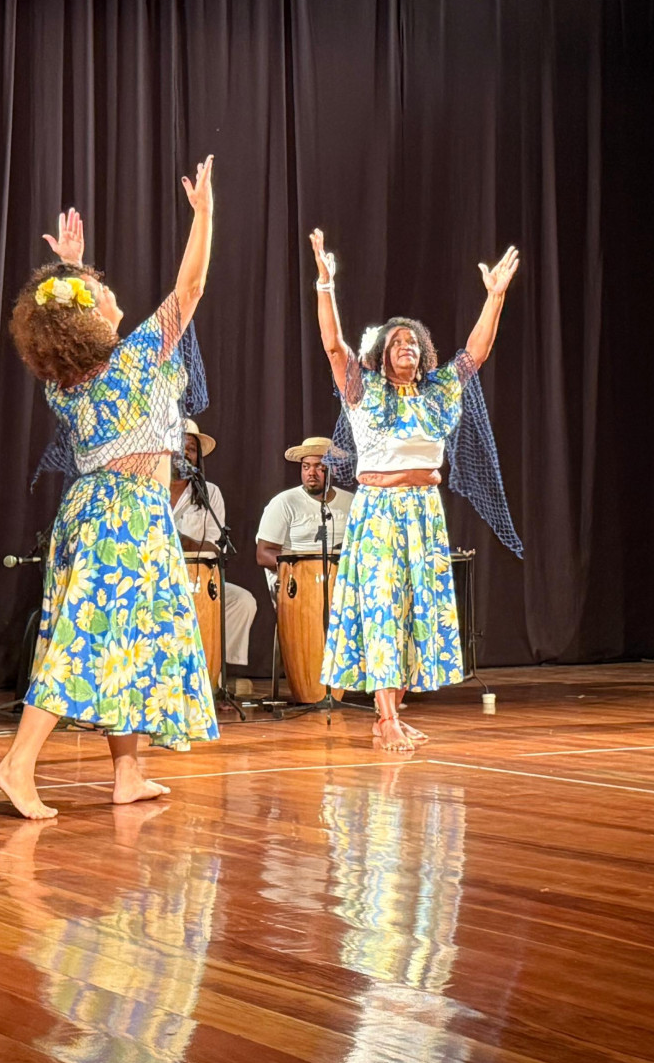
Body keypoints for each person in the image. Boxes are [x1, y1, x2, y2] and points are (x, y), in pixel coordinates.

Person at [0, 160, 219, 818]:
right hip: (123, 514)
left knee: (128, 638)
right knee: (88, 639)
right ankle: (17, 763)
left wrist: (71, 270)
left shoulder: (61, 381)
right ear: (92, 320)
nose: (112, 293)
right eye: (99, 290)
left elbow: (62, 325)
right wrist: (203, 214)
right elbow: (193, 283)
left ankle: (128, 773)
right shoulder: (137, 357)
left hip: (101, 509)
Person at [307, 228, 521, 752]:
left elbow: (476, 351)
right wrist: (325, 284)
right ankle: (384, 720)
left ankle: (393, 713)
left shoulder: (438, 393)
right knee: (382, 607)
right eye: (396, 342)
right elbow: (333, 345)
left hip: (424, 511)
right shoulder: (363, 390)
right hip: (379, 511)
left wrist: (494, 297)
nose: (405, 347)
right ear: (382, 354)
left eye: (413, 344)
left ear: (423, 356)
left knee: (413, 611)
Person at [169, 418, 258, 673]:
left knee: (243, 601)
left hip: (199, 580)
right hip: (159, 579)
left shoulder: (210, 493)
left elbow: (217, 548)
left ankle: (216, 672)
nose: (186, 453)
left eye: (192, 449)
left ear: (198, 459)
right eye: (179, 446)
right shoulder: (150, 490)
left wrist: (183, 540)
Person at [255, 437, 355, 591]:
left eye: (319, 466)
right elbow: (263, 554)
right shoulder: (285, 502)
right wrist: (305, 568)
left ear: (333, 469)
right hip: (299, 582)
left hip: (343, 581)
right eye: (306, 467)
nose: (311, 473)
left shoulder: (351, 502)